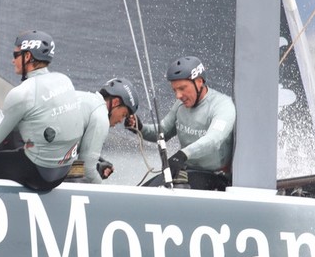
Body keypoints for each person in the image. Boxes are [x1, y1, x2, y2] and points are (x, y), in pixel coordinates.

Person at [0, 30, 83, 191]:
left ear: (28, 56)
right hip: (62, 171)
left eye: (15, 55)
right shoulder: (64, 80)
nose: (12, 60)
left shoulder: (23, 92)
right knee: (20, 148)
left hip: (40, 175)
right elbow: (23, 120)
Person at [129, 56, 235, 191]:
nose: (178, 95)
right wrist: (140, 128)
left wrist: (183, 154)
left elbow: (214, 139)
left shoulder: (222, 105)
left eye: (182, 88)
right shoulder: (181, 105)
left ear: (199, 82)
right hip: (186, 172)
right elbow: (164, 132)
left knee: (162, 197)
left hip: (215, 177)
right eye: (175, 90)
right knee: (142, 192)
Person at [74, 77, 140, 183]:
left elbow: (65, 165)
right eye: (123, 115)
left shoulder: (85, 98)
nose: (121, 121)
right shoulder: (101, 116)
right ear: (115, 102)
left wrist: (95, 168)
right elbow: (87, 171)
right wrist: (104, 194)